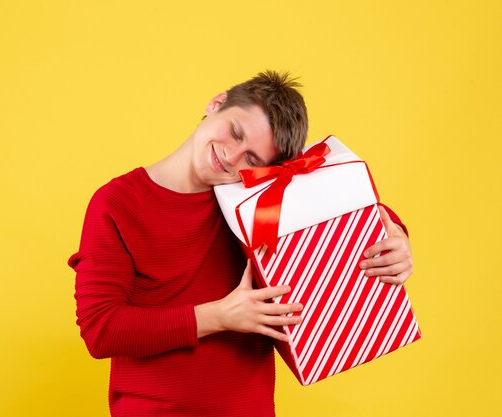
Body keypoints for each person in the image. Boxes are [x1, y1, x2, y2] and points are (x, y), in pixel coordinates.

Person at [67, 71, 412, 417]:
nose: (232, 157)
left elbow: (347, 202)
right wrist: (220, 316)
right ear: (216, 103)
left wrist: (396, 236)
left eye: (252, 159)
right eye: (234, 132)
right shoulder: (117, 203)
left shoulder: (259, 201)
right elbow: (101, 329)